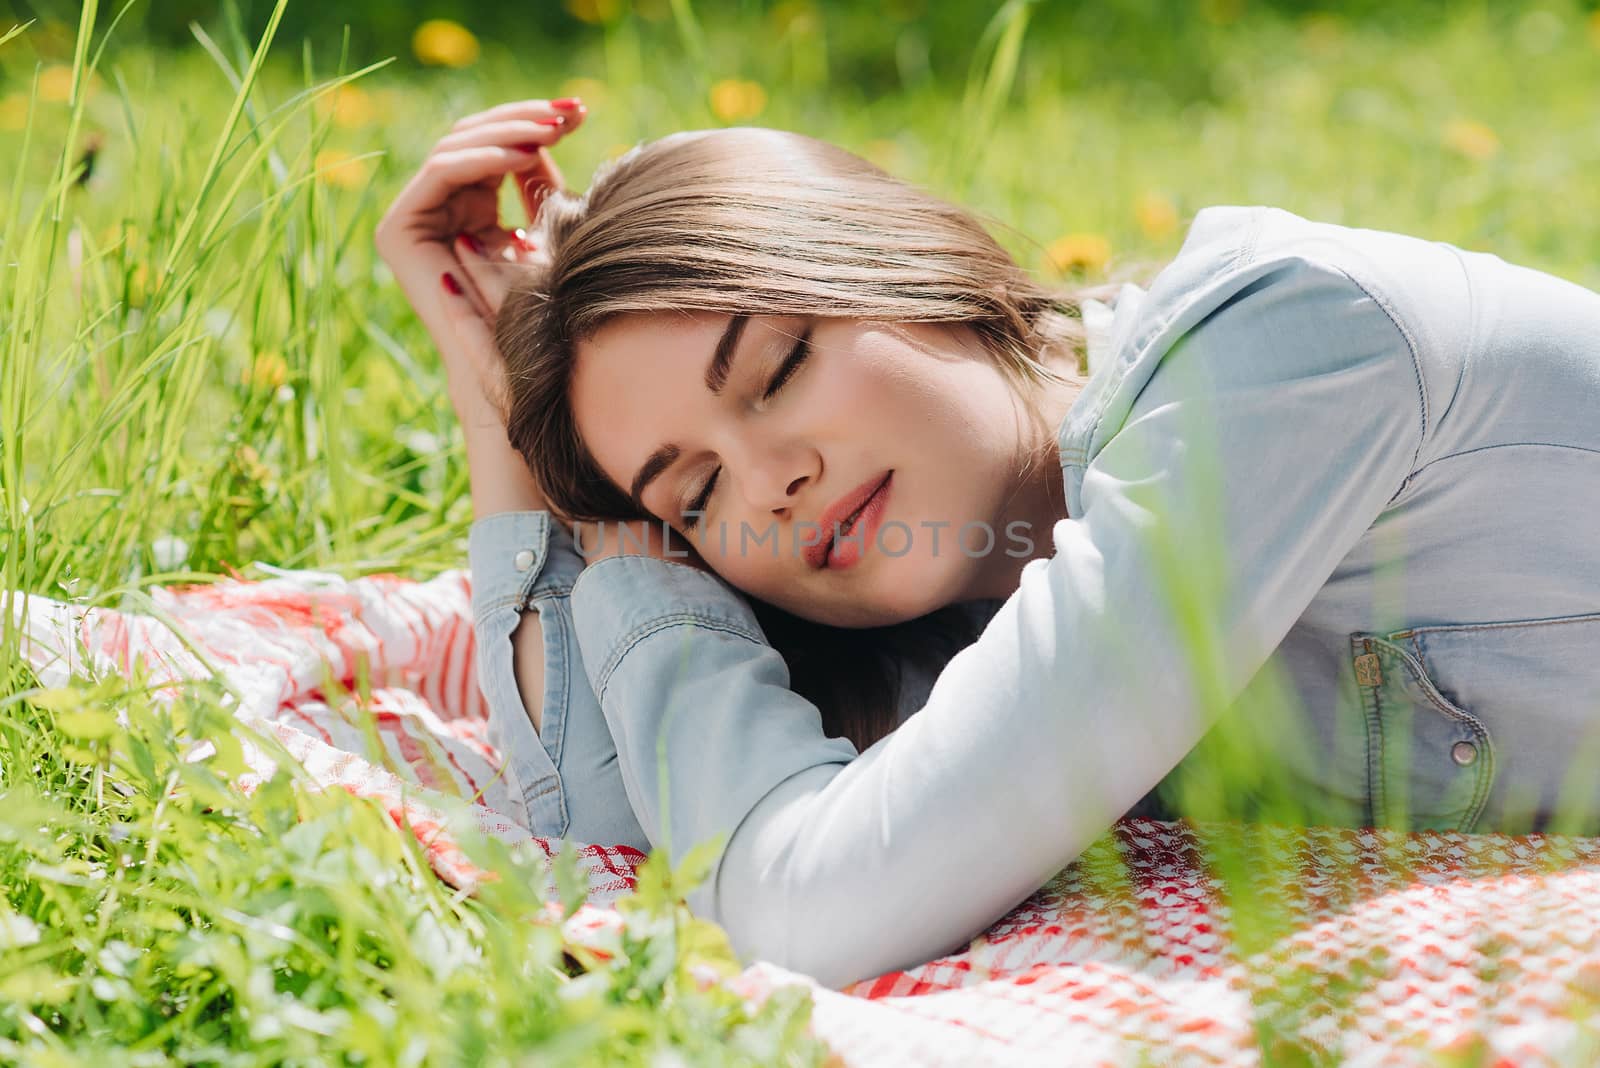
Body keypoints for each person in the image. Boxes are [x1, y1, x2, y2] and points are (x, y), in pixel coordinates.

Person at [375, 97, 1600, 989]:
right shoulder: (952, 626)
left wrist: (640, 545)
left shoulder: (1288, 345)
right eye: (691, 495)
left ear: (913, 265)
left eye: (781, 367)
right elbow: (609, 821)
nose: (770, 482)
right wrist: (508, 421)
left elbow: (814, 908)